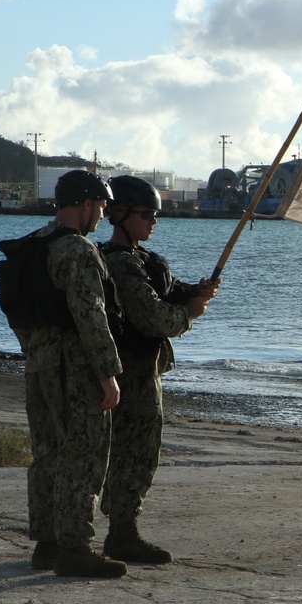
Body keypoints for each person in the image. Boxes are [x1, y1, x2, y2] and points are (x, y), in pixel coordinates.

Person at [98, 175, 219, 564]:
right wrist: (189, 313)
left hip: (141, 373)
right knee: (134, 453)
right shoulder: (120, 264)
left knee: (138, 451)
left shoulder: (141, 261)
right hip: (131, 375)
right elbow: (154, 318)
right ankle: (122, 534)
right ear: (120, 215)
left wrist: (192, 291)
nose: (153, 221)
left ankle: (121, 530)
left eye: (155, 215)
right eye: (147, 214)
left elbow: (166, 289)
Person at [15, 169, 127, 578]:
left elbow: (19, 312)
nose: (101, 215)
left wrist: (35, 353)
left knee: (48, 453)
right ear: (84, 204)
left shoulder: (35, 246)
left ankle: (47, 544)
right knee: (83, 453)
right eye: (100, 207)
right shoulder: (78, 251)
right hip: (74, 368)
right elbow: (90, 315)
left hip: (38, 365)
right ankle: (76, 547)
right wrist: (108, 373)